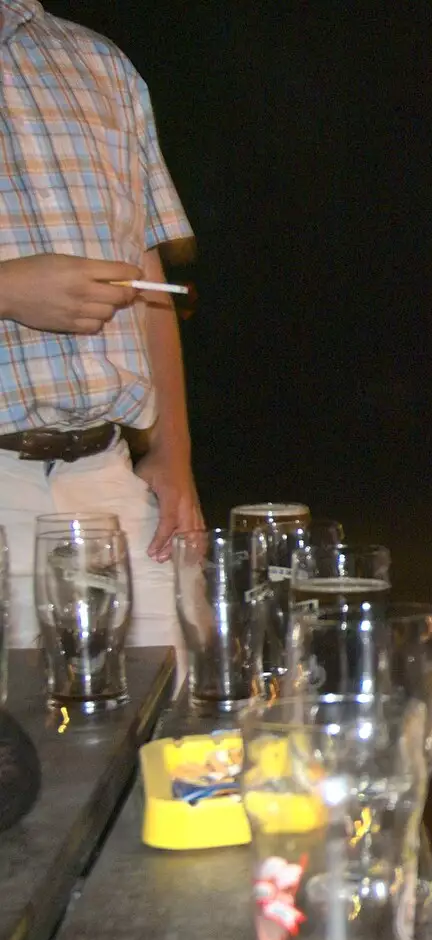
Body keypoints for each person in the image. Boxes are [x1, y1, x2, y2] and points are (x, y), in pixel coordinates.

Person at [0, 0, 202, 656]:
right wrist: (8, 290)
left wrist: (173, 454)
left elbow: (147, 278)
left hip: (109, 479)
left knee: (180, 731)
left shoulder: (101, 64)